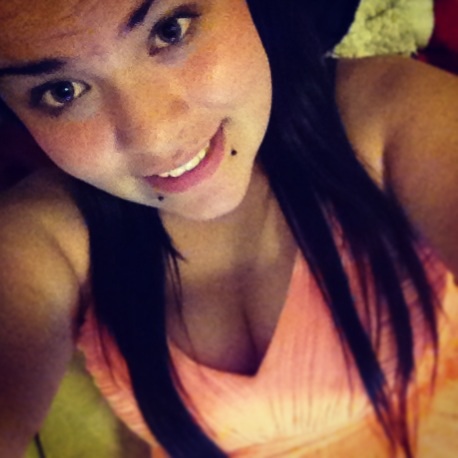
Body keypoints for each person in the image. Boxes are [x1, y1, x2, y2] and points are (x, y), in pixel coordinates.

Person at [0, 0, 457, 457]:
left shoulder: (385, 112)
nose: (155, 137)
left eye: (171, 30)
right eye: (62, 91)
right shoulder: (47, 234)